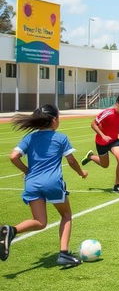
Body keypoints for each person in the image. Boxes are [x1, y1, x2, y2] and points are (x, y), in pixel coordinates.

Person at [1, 105, 88, 266]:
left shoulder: (30, 138)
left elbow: (13, 157)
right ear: (54, 120)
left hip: (32, 183)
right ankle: (64, 254)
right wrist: (81, 172)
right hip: (52, 183)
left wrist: (27, 171)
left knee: (40, 222)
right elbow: (71, 161)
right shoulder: (60, 138)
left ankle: (11, 230)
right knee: (66, 216)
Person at [82, 93, 119, 194]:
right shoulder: (107, 113)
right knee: (105, 165)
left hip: (114, 140)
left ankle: (117, 185)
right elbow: (93, 124)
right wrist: (103, 135)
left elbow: (117, 125)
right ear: (117, 103)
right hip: (101, 142)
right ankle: (91, 157)